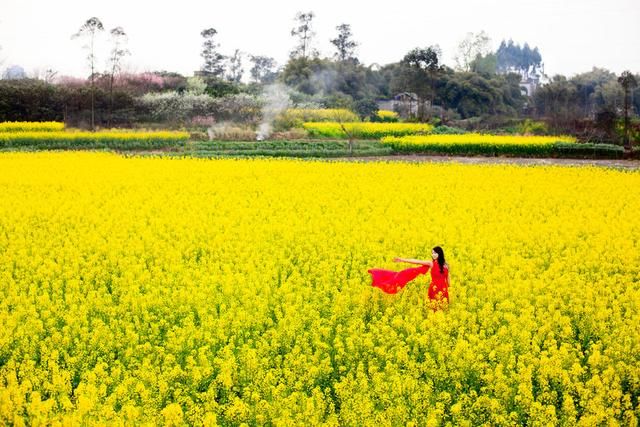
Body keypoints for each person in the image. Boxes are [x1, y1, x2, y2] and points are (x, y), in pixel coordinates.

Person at [368, 246, 450, 306]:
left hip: (440, 289)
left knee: (440, 307)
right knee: (436, 307)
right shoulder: (433, 263)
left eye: (435, 253)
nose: (433, 255)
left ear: (440, 253)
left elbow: (448, 280)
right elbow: (416, 261)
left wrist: (448, 288)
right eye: (432, 253)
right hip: (437, 288)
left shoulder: (445, 265)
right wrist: (402, 259)